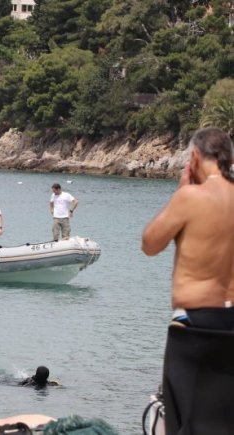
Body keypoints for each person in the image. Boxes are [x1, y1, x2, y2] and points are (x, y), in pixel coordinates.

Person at [141, 127, 234, 435]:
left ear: (194, 158)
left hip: (194, 324)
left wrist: (181, 191)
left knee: (184, 422)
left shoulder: (190, 197)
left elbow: (150, 244)